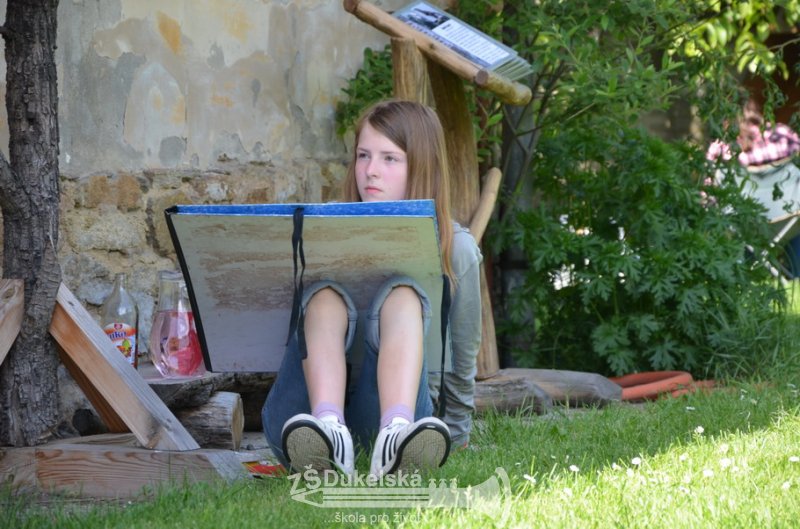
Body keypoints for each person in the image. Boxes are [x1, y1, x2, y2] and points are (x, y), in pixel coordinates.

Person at [261, 100, 483, 478]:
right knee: (325, 296)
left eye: (389, 158)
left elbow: (461, 357)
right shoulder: (322, 227)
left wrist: (457, 434)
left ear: (422, 166)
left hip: (392, 417)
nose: (370, 171)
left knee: (404, 295)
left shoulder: (455, 247)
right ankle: (327, 431)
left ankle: (396, 437)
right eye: (363, 155)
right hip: (301, 419)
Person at [706, 99, 800, 274]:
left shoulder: (720, 148)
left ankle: (742, 271)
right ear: (759, 112)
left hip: (744, 225)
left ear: (726, 120)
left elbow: (708, 194)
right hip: (788, 220)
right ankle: (796, 270)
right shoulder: (782, 135)